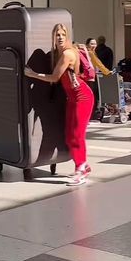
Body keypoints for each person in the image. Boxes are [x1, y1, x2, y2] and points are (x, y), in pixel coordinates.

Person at [24, 23, 94, 186]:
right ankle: (83, 165)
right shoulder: (60, 53)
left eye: (63, 34)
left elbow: (54, 78)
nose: (60, 37)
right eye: (57, 35)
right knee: (69, 136)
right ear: (53, 38)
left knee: (77, 135)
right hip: (72, 98)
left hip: (82, 98)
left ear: (67, 36)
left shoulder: (68, 54)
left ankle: (81, 168)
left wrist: (33, 74)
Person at [85, 38, 112, 119]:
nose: (94, 45)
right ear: (87, 45)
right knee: (95, 95)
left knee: (92, 95)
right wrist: (107, 72)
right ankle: (93, 114)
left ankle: (90, 114)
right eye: (91, 44)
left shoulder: (89, 52)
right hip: (92, 77)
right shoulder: (90, 53)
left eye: (95, 44)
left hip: (88, 77)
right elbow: (98, 64)